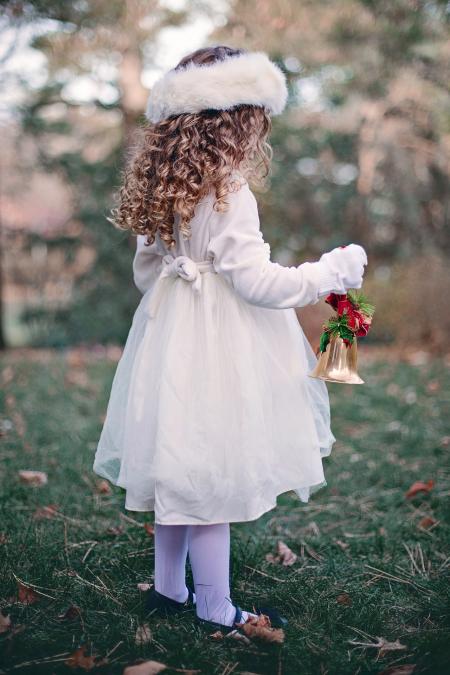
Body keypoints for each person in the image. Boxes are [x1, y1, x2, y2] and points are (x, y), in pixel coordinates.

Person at [92, 45, 368, 634]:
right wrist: (330, 275)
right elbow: (258, 283)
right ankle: (214, 607)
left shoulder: (165, 186)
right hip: (220, 346)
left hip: (171, 336)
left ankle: (168, 590)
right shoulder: (229, 189)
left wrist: (185, 276)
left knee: (177, 465)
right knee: (210, 478)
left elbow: (147, 274)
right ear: (239, 119)